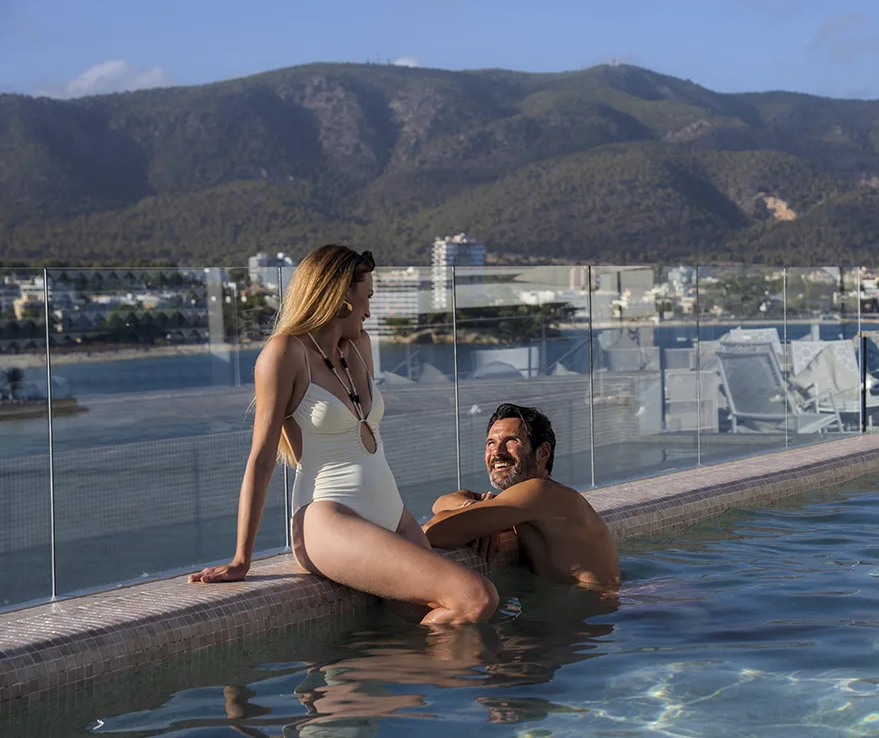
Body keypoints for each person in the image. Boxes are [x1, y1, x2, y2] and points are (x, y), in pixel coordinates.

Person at [189, 245, 498, 625]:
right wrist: (242, 559)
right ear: (340, 296)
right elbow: (262, 459)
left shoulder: (359, 346)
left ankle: (391, 673)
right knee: (477, 598)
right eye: (366, 297)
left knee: (444, 619)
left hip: (391, 514)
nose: (369, 310)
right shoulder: (285, 353)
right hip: (329, 519)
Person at [423, 403, 620, 589]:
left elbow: (433, 531)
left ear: (542, 453)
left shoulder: (538, 492)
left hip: (589, 609)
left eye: (510, 442)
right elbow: (441, 502)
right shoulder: (536, 500)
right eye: (491, 443)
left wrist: (480, 518)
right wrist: (473, 509)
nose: (497, 452)